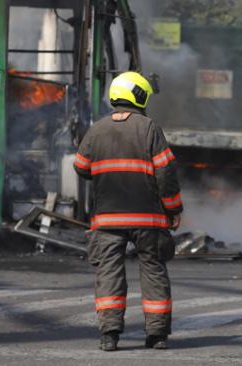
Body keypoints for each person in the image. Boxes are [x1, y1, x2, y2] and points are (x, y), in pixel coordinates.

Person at [74, 71, 183, 352]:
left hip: (108, 219)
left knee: (109, 272)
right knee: (154, 270)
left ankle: (109, 335)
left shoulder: (96, 130)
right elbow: (166, 173)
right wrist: (173, 209)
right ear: (139, 95)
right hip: (148, 219)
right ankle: (156, 336)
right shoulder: (149, 128)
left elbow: (81, 166)